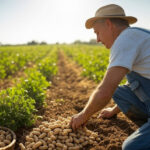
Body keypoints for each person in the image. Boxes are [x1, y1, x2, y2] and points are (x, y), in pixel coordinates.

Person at [70, 4, 150, 150]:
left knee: (132, 147)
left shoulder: (125, 40)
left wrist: (83, 115)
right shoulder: (136, 36)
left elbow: (105, 90)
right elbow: (134, 86)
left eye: (97, 32)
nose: (97, 39)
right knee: (118, 90)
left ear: (108, 24)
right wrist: (113, 111)